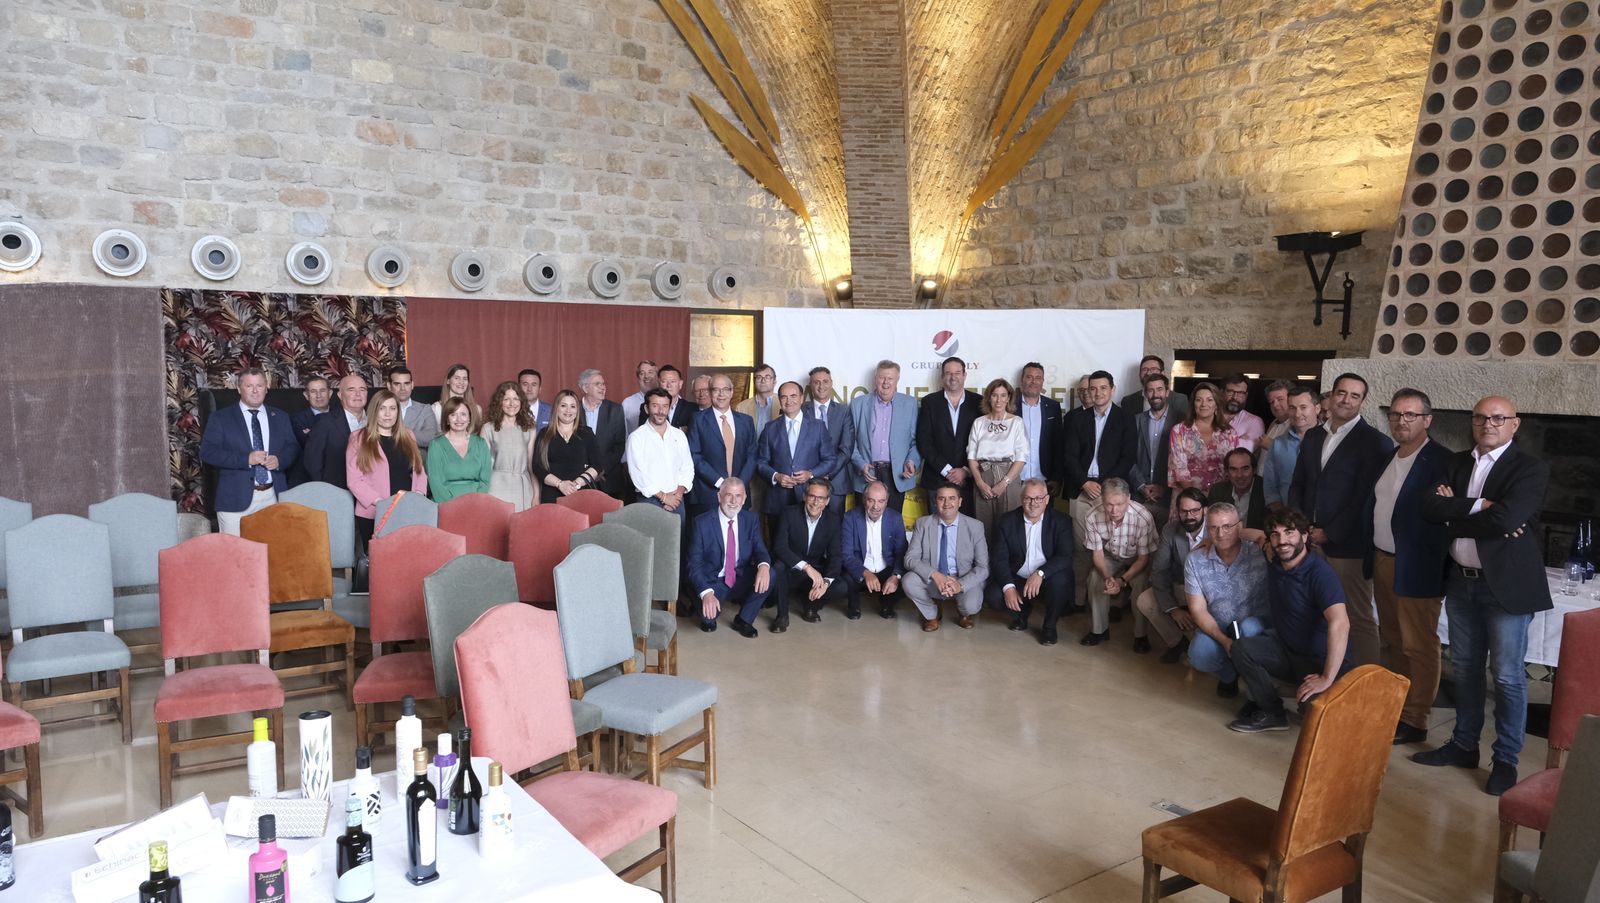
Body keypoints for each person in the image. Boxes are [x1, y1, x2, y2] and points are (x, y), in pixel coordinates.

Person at [1413, 396, 1551, 796]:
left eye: (1498, 418)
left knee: (1507, 678)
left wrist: (1457, 512)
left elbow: (1508, 518)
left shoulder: (1530, 469)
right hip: (1460, 580)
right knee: (1466, 670)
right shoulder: (1457, 463)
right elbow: (1428, 508)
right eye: (1480, 418)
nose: (1488, 424)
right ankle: (1463, 745)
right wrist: (1480, 507)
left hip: (1504, 587)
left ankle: (1506, 759)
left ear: (1515, 424)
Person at [1287, 372, 1393, 667]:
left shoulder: (1376, 443)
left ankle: (1365, 684)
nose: (1346, 400)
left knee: (1357, 616)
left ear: (1363, 401)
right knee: (1313, 609)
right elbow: (1300, 484)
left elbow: (1365, 499)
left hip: (1348, 546)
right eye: (1341, 393)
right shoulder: (1315, 436)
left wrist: (1329, 533)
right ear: (1331, 395)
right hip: (1308, 540)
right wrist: (1301, 526)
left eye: (1354, 395)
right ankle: (1323, 673)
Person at [1370, 388, 1453, 746]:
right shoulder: (1389, 457)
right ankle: (1394, 708)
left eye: (1410, 415)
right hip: (1384, 560)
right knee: (1390, 641)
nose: (1401, 421)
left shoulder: (1442, 461)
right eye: (1395, 414)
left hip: (1418, 565)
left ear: (1427, 420)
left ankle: (1416, 719)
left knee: (1419, 645)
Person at [1227, 507, 1351, 733]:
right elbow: (1254, 535)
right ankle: (1273, 713)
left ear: (1305, 536)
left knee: (1314, 716)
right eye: (1276, 534)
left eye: (1290, 532)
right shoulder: (1274, 554)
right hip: (1288, 650)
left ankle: (1332, 691)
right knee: (1242, 648)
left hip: (1321, 661)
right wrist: (1216, 539)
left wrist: (1326, 677)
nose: (1282, 540)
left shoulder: (1320, 574)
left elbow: (1341, 624)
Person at [1183, 501, 1271, 697]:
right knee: (1199, 654)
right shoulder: (1195, 560)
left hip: (1256, 627)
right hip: (1220, 626)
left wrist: (1246, 533)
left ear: (1239, 526)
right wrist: (1224, 641)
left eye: (1227, 527)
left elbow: (1270, 539)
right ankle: (1229, 675)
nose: (1220, 534)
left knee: (1249, 628)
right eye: (1213, 528)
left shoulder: (1259, 552)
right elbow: (1198, 610)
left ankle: (1255, 694)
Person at [200, 368, 298, 535]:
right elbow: (208, 452)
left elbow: (293, 447)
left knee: (274, 554)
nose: (255, 390)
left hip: (273, 496)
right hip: (235, 499)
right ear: (239, 388)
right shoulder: (221, 418)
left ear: (266, 388)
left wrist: (280, 460)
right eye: (249, 386)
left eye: (259, 385)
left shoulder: (280, 416)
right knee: (235, 555)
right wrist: (246, 459)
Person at [984, 478, 1074, 645]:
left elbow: (1065, 556)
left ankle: (1049, 626)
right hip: (1018, 574)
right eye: (1028, 498)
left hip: (1047, 576)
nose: (1033, 503)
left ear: (1047, 499)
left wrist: (1040, 573)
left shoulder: (1061, 521)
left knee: (1061, 582)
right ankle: (1021, 613)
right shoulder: (1007, 521)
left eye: (1038, 498)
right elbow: (999, 558)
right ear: (1021, 499)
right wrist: (1009, 588)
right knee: (994, 595)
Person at [686, 478, 771, 638]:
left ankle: (744, 619)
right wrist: (707, 594)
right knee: (708, 620)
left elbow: (761, 550)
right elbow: (693, 566)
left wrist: (764, 566)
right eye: (729, 495)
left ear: (744, 499)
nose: (733, 501)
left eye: (738, 496)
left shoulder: (750, 520)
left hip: (738, 577)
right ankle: (699, 602)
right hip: (713, 580)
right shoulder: (702, 523)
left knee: (770, 573)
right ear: (719, 497)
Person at [1134, 488, 1210, 664]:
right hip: (1181, 585)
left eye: (1194, 510)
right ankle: (1177, 642)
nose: (1189, 515)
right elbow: (1159, 571)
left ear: (1205, 510)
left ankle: (1200, 643)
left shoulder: (1215, 530)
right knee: (1145, 600)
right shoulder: (1170, 529)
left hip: (1208, 592)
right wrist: (1173, 609)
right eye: (1184, 511)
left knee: (1201, 654)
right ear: (1178, 511)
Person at [1081, 477, 1157, 647]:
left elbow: (1144, 559)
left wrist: (1122, 581)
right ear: (1102, 499)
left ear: (1129, 499)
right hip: (1110, 556)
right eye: (1109, 504)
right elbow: (1098, 554)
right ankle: (1099, 630)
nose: (1114, 510)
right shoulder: (1092, 516)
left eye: (1120, 504)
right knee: (1095, 578)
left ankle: (1141, 635)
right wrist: (1108, 577)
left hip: (1137, 558)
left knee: (1141, 584)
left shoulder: (1143, 517)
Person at [902, 483, 989, 631]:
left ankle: (964, 614)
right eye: (941, 499)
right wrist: (935, 575)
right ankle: (933, 614)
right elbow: (910, 559)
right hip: (933, 578)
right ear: (936, 502)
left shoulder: (975, 526)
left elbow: (983, 568)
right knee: (909, 581)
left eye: (952, 498)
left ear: (960, 502)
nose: (947, 503)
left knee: (971, 605)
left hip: (962, 578)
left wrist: (959, 584)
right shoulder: (923, 524)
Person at [346, 389, 428, 545]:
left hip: (406, 510)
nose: (387, 414)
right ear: (374, 411)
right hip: (373, 511)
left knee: (405, 557)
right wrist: (382, 503)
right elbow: (354, 480)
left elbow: (419, 472)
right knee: (378, 563)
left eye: (392, 408)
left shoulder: (408, 435)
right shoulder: (358, 438)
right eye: (382, 409)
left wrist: (417, 496)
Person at [755, 381, 837, 534]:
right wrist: (776, 476)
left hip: (809, 496)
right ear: (779, 400)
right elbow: (761, 462)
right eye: (784, 397)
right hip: (777, 499)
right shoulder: (770, 428)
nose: (789, 401)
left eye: (793, 396)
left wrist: (810, 474)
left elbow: (830, 460)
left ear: (801, 398)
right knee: (777, 545)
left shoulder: (817, 426)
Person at [769, 479, 844, 629]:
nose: (816, 502)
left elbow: (835, 556)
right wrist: (807, 567)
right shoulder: (789, 513)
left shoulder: (833, 520)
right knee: (778, 568)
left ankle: (811, 607)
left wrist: (826, 582)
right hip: (791, 565)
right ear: (804, 496)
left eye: (821, 498)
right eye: (812, 496)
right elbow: (780, 547)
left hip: (815, 569)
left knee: (842, 586)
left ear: (827, 501)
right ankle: (782, 616)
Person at [849, 360, 920, 513]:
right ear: (875, 378)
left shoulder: (910, 404)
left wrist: (911, 461)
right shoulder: (858, 404)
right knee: (862, 521)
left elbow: (916, 441)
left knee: (892, 522)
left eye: (890, 378)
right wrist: (860, 464)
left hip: (896, 474)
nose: (886, 382)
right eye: (882, 377)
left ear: (897, 379)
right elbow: (849, 442)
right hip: (866, 472)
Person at [917, 357, 982, 513]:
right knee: (936, 531)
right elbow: (924, 441)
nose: (953, 377)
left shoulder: (979, 402)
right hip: (936, 479)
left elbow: (984, 442)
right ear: (942, 376)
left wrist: (966, 471)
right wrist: (947, 470)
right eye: (948, 373)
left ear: (965, 375)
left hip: (968, 481)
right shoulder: (929, 402)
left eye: (957, 373)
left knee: (966, 532)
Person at [1061, 369, 1136, 505]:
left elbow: (1128, 457)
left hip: (1112, 491)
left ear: (1113, 390)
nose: (1098, 393)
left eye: (1103, 388)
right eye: (1093, 389)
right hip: (1081, 488)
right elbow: (1069, 455)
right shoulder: (1077, 419)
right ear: (1089, 391)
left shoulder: (1126, 419)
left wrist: (1104, 484)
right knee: (1078, 527)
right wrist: (1084, 482)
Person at [689, 374, 757, 517]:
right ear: (710, 392)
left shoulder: (746, 421)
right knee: (709, 537)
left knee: (738, 537)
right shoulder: (697, 420)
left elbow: (752, 456)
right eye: (715, 390)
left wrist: (738, 485)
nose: (721, 394)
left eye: (725, 389)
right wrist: (720, 482)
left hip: (739, 494)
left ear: (732, 392)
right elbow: (695, 456)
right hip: (709, 493)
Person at [966, 377, 1028, 531]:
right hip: (983, 476)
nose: (998, 400)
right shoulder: (979, 422)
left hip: (1009, 478)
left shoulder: (1017, 422)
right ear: (989, 398)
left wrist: (1004, 483)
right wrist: (980, 483)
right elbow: (972, 456)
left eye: (1003, 395)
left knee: (1009, 526)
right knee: (983, 525)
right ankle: (985, 556)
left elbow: (1021, 458)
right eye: (994, 395)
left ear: (1008, 398)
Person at [840, 481, 908, 620]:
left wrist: (896, 576)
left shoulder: (895, 518)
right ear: (865, 499)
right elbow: (846, 554)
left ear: (887, 501)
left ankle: (886, 603)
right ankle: (854, 606)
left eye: (881, 501)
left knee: (905, 580)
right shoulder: (850, 517)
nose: (876, 506)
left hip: (885, 566)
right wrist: (865, 573)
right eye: (871, 500)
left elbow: (901, 551)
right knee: (847, 578)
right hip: (861, 566)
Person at [625, 388, 694, 520]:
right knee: (649, 540)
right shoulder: (637, 437)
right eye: (655, 406)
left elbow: (688, 468)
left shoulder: (678, 435)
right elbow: (638, 474)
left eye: (665, 406)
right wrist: (664, 497)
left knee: (676, 540)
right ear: (646, 408)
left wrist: (676, 497)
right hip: (649, 500)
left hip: (677, 500)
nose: (661, 411)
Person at [532, 389, 602, 504]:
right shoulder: (544, 434)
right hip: (552, 494)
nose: (568, 410)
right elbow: (537, 466)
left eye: (573, 406)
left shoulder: (586, 433)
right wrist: (560, 484)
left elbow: (597, 465)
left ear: (577, 410)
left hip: (581, 493)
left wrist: (576, 484)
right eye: (563, 405)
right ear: (556, 408)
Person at [1167, 382, 1237, 494]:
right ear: (1193, 404)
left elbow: (1232, 468)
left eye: (1209, 400)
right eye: (1199, 400)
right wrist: (1197, 499)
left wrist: (1217, 495)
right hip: (1187, 499)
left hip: (1220, 498)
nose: (1204, 404)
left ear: (1216, 404)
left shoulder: (1229, 433)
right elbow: (1179, 469)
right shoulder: (1179, 431)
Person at [479, 381, 537, 511]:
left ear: (521, 401)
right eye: (507, 399)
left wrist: (536, 494)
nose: (512, 404)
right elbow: (483, 466)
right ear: (499, 402)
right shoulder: (488, 428)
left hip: (523, 488)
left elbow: (531, 465)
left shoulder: (529, 428)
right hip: (496, 487)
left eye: (516, 398)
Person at [302, 374, 368, 489]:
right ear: (340, 395)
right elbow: (313, 463)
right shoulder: (325, 422)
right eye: (351, 390)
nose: (358, 394)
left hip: (371, 493)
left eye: (362, 389)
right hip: (337, 492)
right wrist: (327, 491)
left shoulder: (376, 421)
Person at [1131, 372, 1179, 523]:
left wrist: (1164, 487)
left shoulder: (1181, 421)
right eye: (1150, 390)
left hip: (1169, 498)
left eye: (1159, 389)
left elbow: (1184, 462)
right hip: (1139, 497)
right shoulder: (1135, 420)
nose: (1155, 394)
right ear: (1145, 394)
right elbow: (1127, 456)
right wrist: (1141, 485)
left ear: (1167, 392)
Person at [807, 366, 855, 515]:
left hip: (836, 480)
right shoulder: (801, 411)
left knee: (835, 527)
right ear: (811, 385)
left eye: (825, 381)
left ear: (831, 383)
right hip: (808, 480)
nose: (821, 386)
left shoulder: (844, 411)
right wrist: (814, 473)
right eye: (816, 382)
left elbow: (846, 448)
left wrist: (827, 472)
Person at [1262, 384, 1317, 513]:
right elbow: (1270, 484)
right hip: (1287, 518)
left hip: (1321, 519)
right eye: (1292, 408)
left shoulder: (1329, 441)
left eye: (1303, 407)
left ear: (1317, 408)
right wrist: (1281, 513)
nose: (1297, 414)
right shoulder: (1277, 444)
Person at [425, 396, 491, 502]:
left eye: (463, 414)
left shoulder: (481, 444)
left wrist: (477, 503)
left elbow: (485, 481)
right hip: (446, 505)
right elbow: (436, 483)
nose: (459, 419)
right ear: (447, 419)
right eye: (453, 415)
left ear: (469, 418)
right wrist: (453, 507)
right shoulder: (436, 445)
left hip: (477, 504)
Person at [577, 369, 629, 500]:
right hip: (578, 478)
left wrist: (600, 469)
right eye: (597, 384)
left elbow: (619, 445)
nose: (602, 388)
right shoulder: (573, 409)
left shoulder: (615, 410)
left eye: (603, 384)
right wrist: (587, 472)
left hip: (609, 478)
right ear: (585, 388)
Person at [1015, 362, 1063, 496]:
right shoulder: (1010, 406)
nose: (1033, 381)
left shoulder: (1053, 407)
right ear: (1022, 380)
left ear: (1043, 381)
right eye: (1029, 377)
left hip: (1045, 479)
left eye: (1038, 378)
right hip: (1014, 479)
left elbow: (1058, 444)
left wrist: (1056, 477)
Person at [1206, 448, 1266, 530]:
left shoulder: (1266, 491)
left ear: (1254, 470)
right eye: (1234, 469)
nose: (1239, 475)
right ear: (1227, 472)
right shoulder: (1217, 491)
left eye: (1245, 469)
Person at [287, 375, 331, 486]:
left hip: (335, 480)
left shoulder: (341, 416)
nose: (318, 396)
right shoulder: (296, 419)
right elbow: (306, 444)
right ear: (306, 395)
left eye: (322, 391)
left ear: (330, 393)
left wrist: (311, 433)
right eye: (313, 391)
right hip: (305, 482)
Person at [1120, 354, 1188, 420]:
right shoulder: (1128, 401)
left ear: (1163, 373)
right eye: (1145, 369)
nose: (1148, 373)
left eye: (1153, 369)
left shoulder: (1179, 400)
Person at [387, 366, 436, 450]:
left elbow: (431, 437)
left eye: (406, 383)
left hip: (417, 459)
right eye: (397, 384)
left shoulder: (425, 409)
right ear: (389, 386)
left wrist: (402, 433)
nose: (402, 388)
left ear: (412, 385)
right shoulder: (380, 409)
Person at [429, 363, 478, 432]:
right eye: (457, 378)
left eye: (465, 379)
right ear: (448, 381)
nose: (461, 382)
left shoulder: (477, 409)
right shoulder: (436, 408)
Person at [1220, 375, 1264, 452]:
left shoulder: (1254, 421)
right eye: (1230, 391)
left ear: (1246, 395)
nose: (1235, 397)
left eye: (1240, 393)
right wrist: (1237, 440)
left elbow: (1244, 451)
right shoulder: (1209, 416)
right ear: (1221, 392)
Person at [735, 363, 780, 436]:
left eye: (767, 377)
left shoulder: (783, 404)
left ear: (774, 381)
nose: (763, 380)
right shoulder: (741, 407)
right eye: (759, 377)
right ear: (754, 381)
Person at [1255, 378, 1294, 463]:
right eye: (1271, 402)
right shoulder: (1274, 422)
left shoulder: (1297, 425)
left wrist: (1271, 444)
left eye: (1280, 399)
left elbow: (1296, 454)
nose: (1275, 405)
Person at [652, 364, 695, 430]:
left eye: (673, 381)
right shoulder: (648, 408)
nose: (669, 385)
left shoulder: (692, 409)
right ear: (658, 384)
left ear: (680, 384)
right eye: (664, 381)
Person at [620, 360, 658, 429]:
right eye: (642, 373)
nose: (646, 376)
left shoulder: (667, 401)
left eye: (650, 372)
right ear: (638, 378)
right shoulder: (627, 403)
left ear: (657, 376)